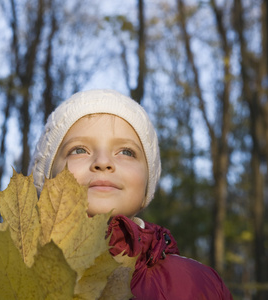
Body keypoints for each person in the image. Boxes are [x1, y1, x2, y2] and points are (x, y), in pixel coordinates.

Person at [28, 89, 233, 299]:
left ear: (147, 183)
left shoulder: (197, 284)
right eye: (79, 150)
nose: (103, 162)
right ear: (47, 180)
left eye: (126, 152)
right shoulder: (10, 269)